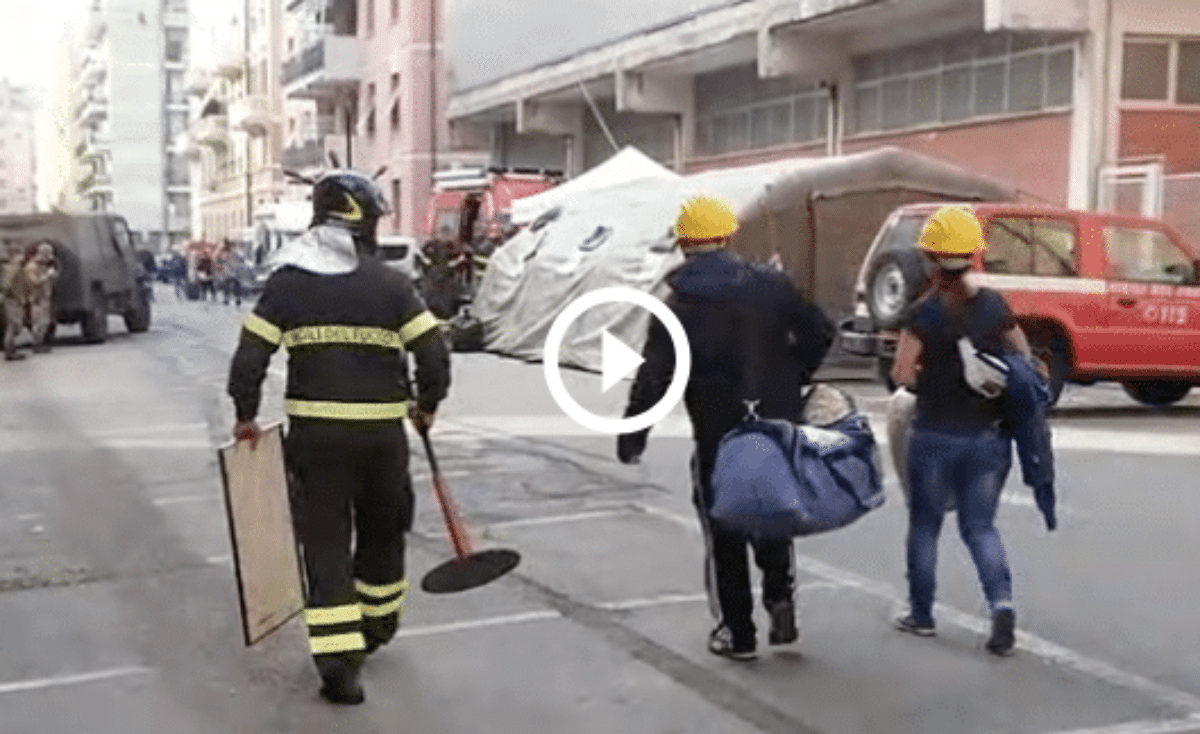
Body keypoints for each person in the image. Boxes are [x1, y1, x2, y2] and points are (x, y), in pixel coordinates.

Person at [227, 171, 450, 705]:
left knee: (325, 546)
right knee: (383, 533)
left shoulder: (287, 283)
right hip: (382, 441)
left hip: (316, 442)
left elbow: (250, 357)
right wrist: (427, 405)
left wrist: (245, 414)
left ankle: (339, 669)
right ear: (362, 223)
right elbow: (434, 356)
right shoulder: (392, 285)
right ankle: (377, 625)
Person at [617, 194, 834, 661]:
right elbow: (820, 331)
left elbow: (655, 378)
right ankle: (779, 594)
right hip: (774, 422)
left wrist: (632, 437)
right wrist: (794, 375)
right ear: (729, 238)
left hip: (716, 430)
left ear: (683, 245)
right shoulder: (773, 286)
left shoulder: (676, 305)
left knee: (723, 531)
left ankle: (738, 633)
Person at [889, 205, 1033, 657]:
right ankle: (1002, 606)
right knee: (981, 527)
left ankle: (921, 615)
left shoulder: (923, 313)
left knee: (925, 526)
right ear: (973, 256)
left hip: (933, 433)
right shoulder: (994, 305)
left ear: (930, 260)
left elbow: (902, 374)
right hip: (987, 436)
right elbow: (1023, 358)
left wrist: (931, 376)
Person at [3, 243, 59, 360]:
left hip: (37, 298)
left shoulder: (36, 266)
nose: (23, 257)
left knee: (42, 322)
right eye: (20, 255)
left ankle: (16, 349)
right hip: (33, 299)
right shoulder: (30, 267)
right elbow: (33, 283)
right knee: (21, 325)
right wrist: (47, 276)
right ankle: (25, 347)